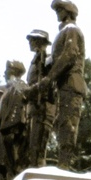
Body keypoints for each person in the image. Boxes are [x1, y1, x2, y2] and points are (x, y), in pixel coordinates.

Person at [30, 0, 86, 170]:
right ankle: (63, 163)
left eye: (60, 9)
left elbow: (68, 55)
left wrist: (49, 78)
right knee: (62, 123)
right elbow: (57, 58)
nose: (57, 13)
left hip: (71, 83)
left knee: (67, 124)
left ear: (68, 12)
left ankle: (65, 164)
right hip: (63, 85)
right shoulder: (63, 32)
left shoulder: (71, 30)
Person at [0, 60, 29, 180]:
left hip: (12, 131)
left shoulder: (18, 85)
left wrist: (12, 127)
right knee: (8, 167)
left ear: (12, 72)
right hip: (7, 132)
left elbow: (18, 109)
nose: (4, 74)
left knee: (14, 167)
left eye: (6, 71)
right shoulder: (9, 88)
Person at [24, 29, 55, 168]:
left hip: (43, 105)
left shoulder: (47, 58)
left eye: (32, 40)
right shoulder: (35, 60)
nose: (30, 43)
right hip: (34, 107)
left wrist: (36, 90)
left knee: (39, 146)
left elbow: (50, 80)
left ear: (40, 41)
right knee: (32, 146)